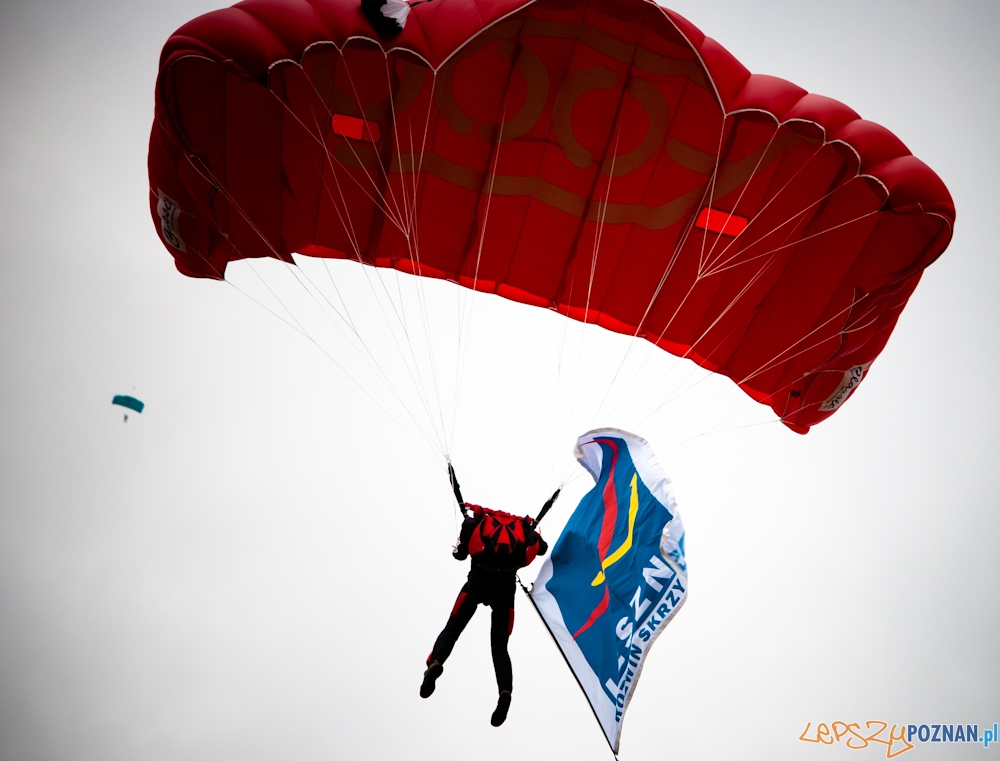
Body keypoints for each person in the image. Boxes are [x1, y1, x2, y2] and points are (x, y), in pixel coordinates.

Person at [419, 496, 552, 727]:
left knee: (452, 630)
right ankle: (505, 693)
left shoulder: (480, 521)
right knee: (500, 648)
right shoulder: (522, 526)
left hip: (477, 582)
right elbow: (542, 549)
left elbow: (461, 554)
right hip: (505, 590)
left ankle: (435, 663)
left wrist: (460, 550)